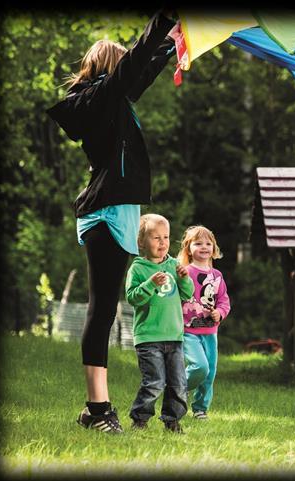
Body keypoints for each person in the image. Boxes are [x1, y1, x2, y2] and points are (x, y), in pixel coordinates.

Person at [46, 11, 179, 433]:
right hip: (105, 212)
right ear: (109, 66)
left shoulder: (112, 100)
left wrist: (176, 43)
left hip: (117, 210)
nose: (129, 73)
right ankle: (98, 410)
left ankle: (95, 410)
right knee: (102, 308)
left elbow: (142, 67)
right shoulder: (103, 95)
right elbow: (134, 65)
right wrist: (164, 21)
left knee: (105, 308)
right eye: (122, 65)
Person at [126, 214, 194, 433]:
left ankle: (172, 420)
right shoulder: (137, 268)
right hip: (148, 336)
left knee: (178, 383)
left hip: (174, 335)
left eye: (166, 237)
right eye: (156, 238)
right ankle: (140, 419)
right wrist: (150, 284)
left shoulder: (174, 265)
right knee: (154, 382)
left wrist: (184, 277)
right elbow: (133, 297)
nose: (163, 242)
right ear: (141, 242)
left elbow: (188, 293)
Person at [177, 225, 231, 420]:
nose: (204, 247)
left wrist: (219, 312)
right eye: (198, 243)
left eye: (208, 243)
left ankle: (200, 408)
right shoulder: (185, 272)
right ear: (188, 248)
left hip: (210, 332)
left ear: (214, 248)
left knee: (210, 374)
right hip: (188, 330)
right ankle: (177, 389)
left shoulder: (217, 276)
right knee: (200, 367)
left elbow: (224, 300)